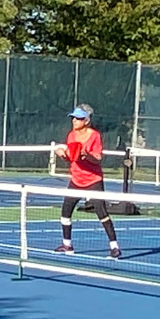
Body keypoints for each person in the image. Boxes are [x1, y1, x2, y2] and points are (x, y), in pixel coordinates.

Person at [54, 106, 120, 259]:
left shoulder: (95, 136)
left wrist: (86, 154)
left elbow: (98, 158)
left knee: (102, 213)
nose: (74, 121)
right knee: (65, 213)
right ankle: (67, 245)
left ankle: (114, 247)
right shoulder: (71, 136)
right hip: (76, 180)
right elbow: (71, 157)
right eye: (73, 118)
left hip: (93, 180)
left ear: (87, 121)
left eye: (78, 118)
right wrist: (62, 154)